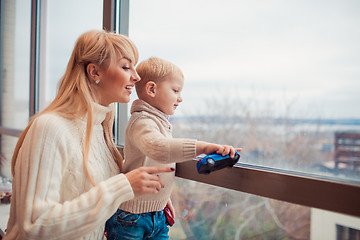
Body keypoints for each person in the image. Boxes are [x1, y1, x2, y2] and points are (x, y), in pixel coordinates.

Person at [3, 30, 175, 240]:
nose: (136, 76)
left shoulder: (100, 130)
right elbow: (35, 225)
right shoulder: (50, 128)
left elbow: (98, 198)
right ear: (94, 72)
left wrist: (150, 197)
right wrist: (123, 186)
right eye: (125, 66)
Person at [105, 57, 241, 240]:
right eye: (175, 90)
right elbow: (158, 148)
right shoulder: (141, 122)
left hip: (157, 214)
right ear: (151, 89)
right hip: (130, 218)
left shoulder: (158, 122)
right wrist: (203, 147)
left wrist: (161, 198)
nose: (180, 98)